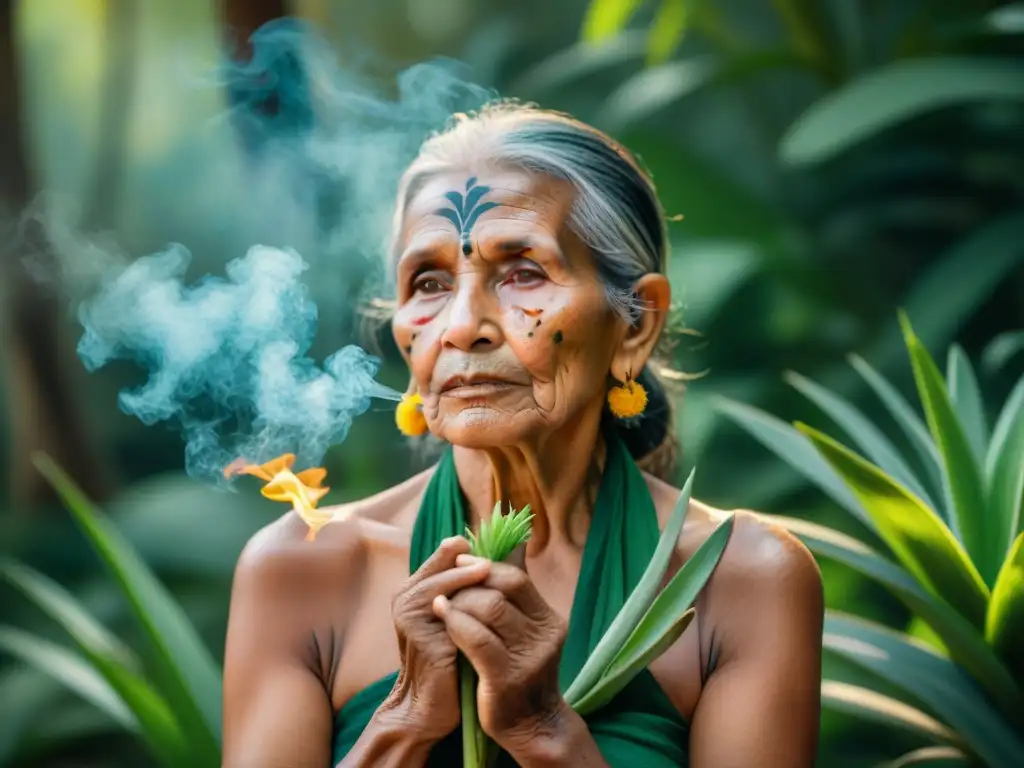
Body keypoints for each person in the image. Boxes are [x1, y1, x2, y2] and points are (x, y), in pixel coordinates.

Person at [222, 102, 824, 767]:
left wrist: (542, 730)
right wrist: (407, 717)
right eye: (429, 282)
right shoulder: (304, 572)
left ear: (635, 325)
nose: (462, 325)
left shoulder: (737, 580)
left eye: (523, 273)